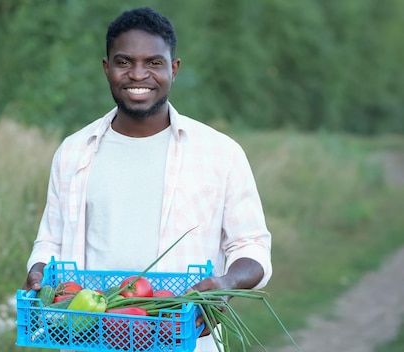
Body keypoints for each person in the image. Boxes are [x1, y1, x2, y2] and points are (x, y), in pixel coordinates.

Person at [22, 6, 272, 352]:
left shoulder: (220, 153)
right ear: (107, 69)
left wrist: (226, 282)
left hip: (184, 340)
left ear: (174, 68)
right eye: (124, 62)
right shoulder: (74, 151)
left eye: (153, 63)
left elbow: (252, 246)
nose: (138, 75)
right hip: (90, 340)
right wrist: (39, 273)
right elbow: (50, 242)